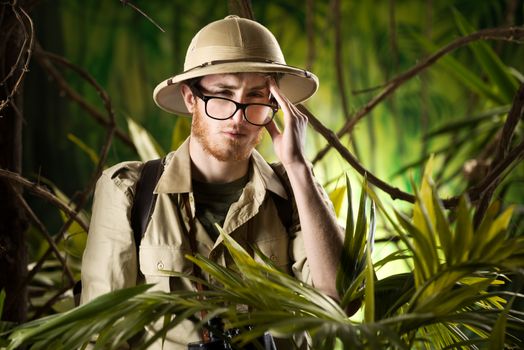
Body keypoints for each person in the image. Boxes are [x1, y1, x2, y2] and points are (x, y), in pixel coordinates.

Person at [80, 15, 343, 349]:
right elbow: (101, 336)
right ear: (191, 98)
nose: (238, 115)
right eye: (223, 94)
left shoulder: (295, 193)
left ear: (275, 105)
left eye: (256, 97)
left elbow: (338, 301)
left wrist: (298, 166)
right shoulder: (130, 193)